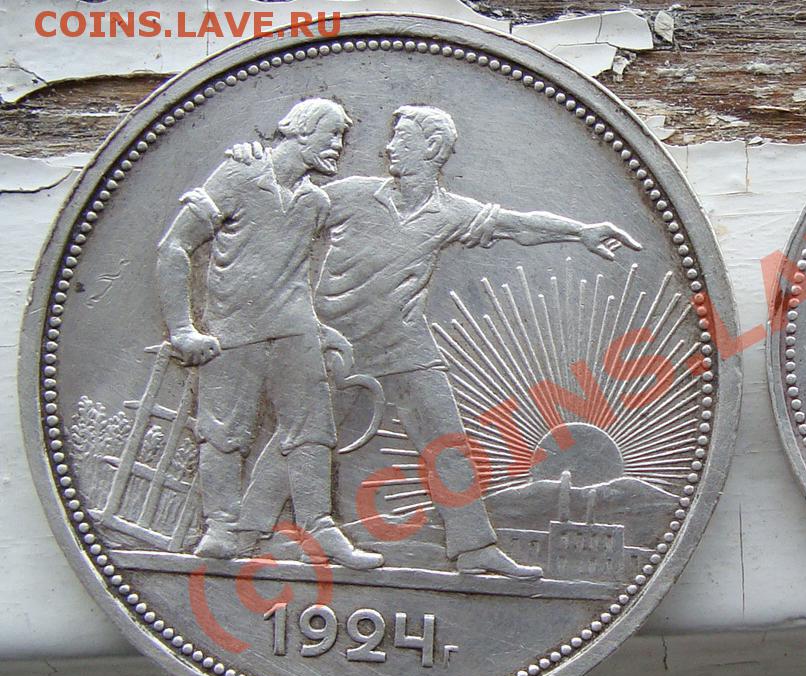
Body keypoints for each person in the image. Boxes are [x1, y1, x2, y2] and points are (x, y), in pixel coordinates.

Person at [229, 104, 642, 578]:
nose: (388, 147)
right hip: (336, 345)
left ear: (430, 149)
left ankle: (474, 547)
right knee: (300, 438)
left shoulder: (449, 213)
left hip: (406, 347)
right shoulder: (351, 194)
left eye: (401, 139)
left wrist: (582, 232)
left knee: (448, 442)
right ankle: (246, 531)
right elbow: (282, 212)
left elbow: (519, 225)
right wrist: (253, 165)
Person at [156, 98, 382, 568]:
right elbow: (175, 247)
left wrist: (317, 329)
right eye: (333, 135)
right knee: (222, 435)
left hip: (296, 336)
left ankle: (319, 527)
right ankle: (221, 528)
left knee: (313, 433)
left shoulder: (315, 203)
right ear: (302, 132)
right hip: (233, 335)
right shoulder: (237, 175)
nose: (339, 147)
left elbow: (292, 276)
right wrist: (182, 329)